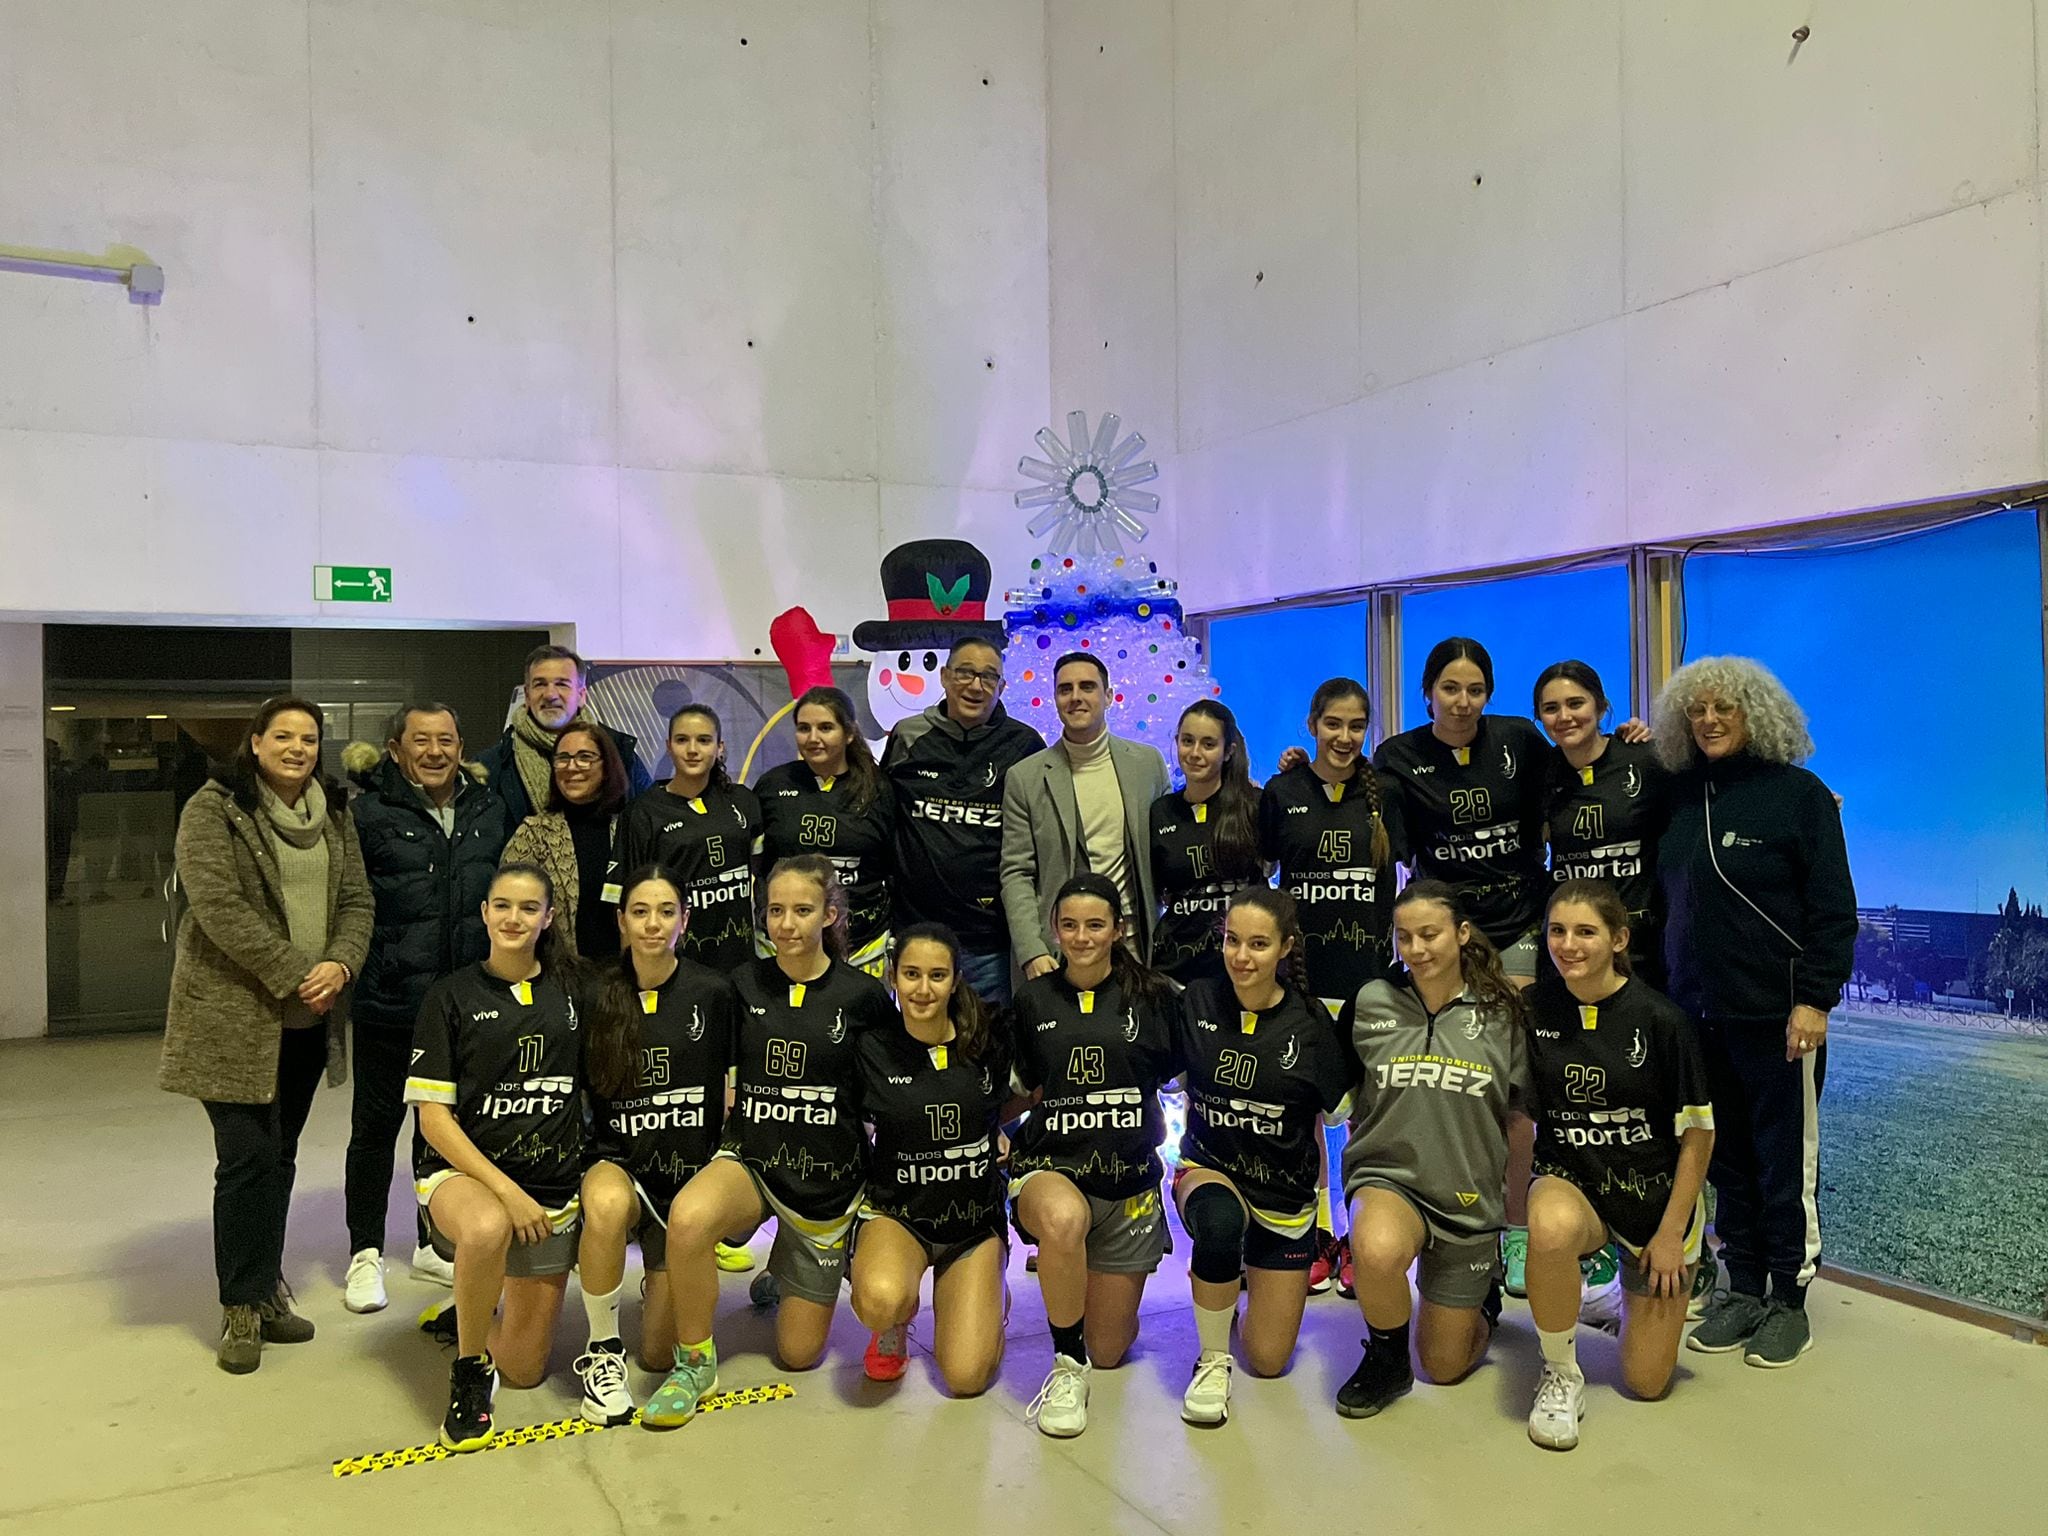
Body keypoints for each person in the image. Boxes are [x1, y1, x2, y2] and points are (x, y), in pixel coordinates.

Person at [160, 695, 373, 1374]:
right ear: (255, 743)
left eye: (308, 738)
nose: (296, 748)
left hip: (306, 1021)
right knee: (247, 1157)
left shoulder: (336, 809)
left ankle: (268, 1286)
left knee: (279, 1156)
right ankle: (242, 1307)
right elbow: (215, 904)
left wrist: (340, 963)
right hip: (233, 1017)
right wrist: (297, 971)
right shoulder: (214, 807)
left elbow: (357, 899)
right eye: (282, 736)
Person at [646, 857, 898, 1425]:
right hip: (754, 1158)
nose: (786, 924)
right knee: (688, 1218)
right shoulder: (742, 982)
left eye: (802, 911)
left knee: (798, 1355)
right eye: (776, 910)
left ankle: (792, 1267)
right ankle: (695, 1365)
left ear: (829, 914)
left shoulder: (862, 997)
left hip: (825, 1185)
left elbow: (892, 1093)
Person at [1655, 656, 1855, 1368]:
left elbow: (1833, 909)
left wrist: (1814, 1001)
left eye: (1724, 709)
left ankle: (1789, 1302)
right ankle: (1742, 1286)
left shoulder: (1798, 796)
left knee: (1782, 1163)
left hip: (1780, 1019)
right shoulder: (1677, 799)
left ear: (1755, 715)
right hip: (1699, 1016)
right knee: (1725, 1160)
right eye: (1697, 710)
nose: (1709, 721)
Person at [1523, 880, 1715, 1450]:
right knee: (1549, 1226)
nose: (1569, 944)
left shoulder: (1662, 1021)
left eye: (1586, 931)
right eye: (1558, 930)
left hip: (1652, 1205)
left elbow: (1699, 1136)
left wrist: (1668, 1233)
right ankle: (1559, 1371)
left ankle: (1610, 1295)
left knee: (1646, 1383)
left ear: (1619, 939)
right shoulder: (1533, 1009)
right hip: (1574, 1186)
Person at [405, 864, 585, 1450]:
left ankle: (471, 1303)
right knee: (485, 1228)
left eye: (529, 908)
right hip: (465, 1176)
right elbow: (434, 1121)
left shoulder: (573, 992)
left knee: (527, 1369)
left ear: (549, 918)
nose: (514, 918)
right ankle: (468, 1372)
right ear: (484, 913)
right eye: (502, 905)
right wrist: (507, 1192)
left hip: (551, 1189)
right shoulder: (449, 995)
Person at [1333, 880, 1528, 1420]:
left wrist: (1517, 1220)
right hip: (1389, 1179)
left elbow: (1518, 1117)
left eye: (1430, 934)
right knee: (1375, 1249)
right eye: (1405, 937)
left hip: (1468, 1197)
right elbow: (1340, 1097)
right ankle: (1387, 1358)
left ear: (1462, 934)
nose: (1417, 949)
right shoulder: (1372, 1002)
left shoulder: (1502, 1011)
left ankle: (1482, 1296)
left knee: (1443, 1366)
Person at [342, 703, 514, 1312]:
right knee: (376, 1127)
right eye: (421, 740)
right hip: (391, 998)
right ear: (396, 748)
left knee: (443, 1127)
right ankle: (364, 1252)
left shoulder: (486, 808)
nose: (435, 751)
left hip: (464, 1003)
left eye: (446, 738)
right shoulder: (367, 814)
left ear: (461, 743)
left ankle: (431, 1242)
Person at [1172, 888, 1355, 1426]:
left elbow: (1340, 1116)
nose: (1242, 957)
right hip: (1208, 1169)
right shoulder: (1197, 1001)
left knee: (1269, 1360)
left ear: (1285, 949)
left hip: (1283, 1196)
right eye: (1232, 941)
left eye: (1257, 944)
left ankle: (1232, 1281)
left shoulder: (1311, 1022)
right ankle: (1211, 1361)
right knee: (1221, 1223)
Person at [1008, 874, 1179, 1439]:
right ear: (1054, 931)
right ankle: (1064, 1364)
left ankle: (1084, 1302)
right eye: (1069, 925)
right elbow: (1022, 1090)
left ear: (1118, 930)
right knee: (1064, 1220)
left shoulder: (1153, 997)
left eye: (1095, 925)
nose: (1081, 937)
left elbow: (1186, 1080)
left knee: (1110, 1348)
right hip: (1052, 1170)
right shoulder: (1032, 998)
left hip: (1128, 1182)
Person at [572, 868, 742, 1424]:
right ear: (622, 921)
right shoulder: (594, 991)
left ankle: (660, 1280)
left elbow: (736, 1089)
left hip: (686, 1179)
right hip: (619, 1162)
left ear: (685, 921)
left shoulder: (713, 992)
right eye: (640, 911)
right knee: (605, 1204)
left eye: (666, 911)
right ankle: (602, 1350)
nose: (652, 923)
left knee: (661, 1352)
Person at [1260, 678, 1407, 1292]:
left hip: (1369, 982)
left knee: (1367, 1115)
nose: (1344, 737)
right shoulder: (1283, 788)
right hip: (1302, 982)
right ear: (1312, 725)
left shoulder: (1386, 795)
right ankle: (1316, 1232)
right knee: (1311, 1118)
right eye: (1333, 725)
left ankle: (1360, 1239)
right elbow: (1262, 873)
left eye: (1355, 726)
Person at [849, 923, 1014, 1393]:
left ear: (956, 980)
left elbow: (1021, 1095)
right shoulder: (871, 1048)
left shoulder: (988, 1040)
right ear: (892, 977)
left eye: (937, 976)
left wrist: (997, 1133)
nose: (923, 989)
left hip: (973, 1224)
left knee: (965, 1378)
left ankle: (987, 1292)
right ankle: (894, 1323)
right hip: (901, 1216)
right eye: (912, 975)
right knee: (880, 1300)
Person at [881, 636, 1044, 1004]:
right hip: (916, 932)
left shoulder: (1025, 745)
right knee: (917, 1044)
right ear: (944, 677)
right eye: (965, 673)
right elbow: (881, 816)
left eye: (989, 677)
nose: (976, 685)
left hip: (988, 939)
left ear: (1002, 687)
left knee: (988, 1046)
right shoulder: (909, 736)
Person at [1000, 653, 1172, 977]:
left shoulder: (1148, 764)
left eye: (1087, 687)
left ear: (1108, 696)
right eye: (1065, 689)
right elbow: (1016, 872)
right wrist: (1030, 950)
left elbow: (1172, 842)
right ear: (1055, 699)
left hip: (1136, 949)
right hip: (1059, 954)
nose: (1076, 697)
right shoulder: (1025, 778)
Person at [1535, 661, 1671, 983]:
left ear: (1601, 705)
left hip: (1642, 946)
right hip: (1572, 950)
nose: (1564, 717)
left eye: (1576, 703)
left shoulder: (1645, 759)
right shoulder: (1539, 773)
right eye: (1551, 708)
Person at [755, 687, 897, 975]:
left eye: (825, 727)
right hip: (783, 942)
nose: (813, 738)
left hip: (862, 946)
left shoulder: (880, 789)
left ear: (848, 733)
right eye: (804, 728)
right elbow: (755, 863)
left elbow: (896, 865)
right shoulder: (773, 785)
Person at [615, 704, 764, 974]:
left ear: (720, 747)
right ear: (668, 746)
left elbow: (763, 876)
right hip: (676, 968)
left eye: (704, 740)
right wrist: (632, 978)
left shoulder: (744, 801)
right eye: (682, 740)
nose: (692, 750)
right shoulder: (643, 812)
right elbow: (626, 903)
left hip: (741, 965)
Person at [1150, 700, 1266, 987]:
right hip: (1176, 972)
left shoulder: (1254, 806)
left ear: (1229, 751)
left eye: (1208, 744)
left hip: (1240, 970)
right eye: (1187, 741)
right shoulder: (1161, 811)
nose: (1195, 753)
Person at [500, 721, 631, 962]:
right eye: (563, 758)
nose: (572, 767)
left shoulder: (631, 829)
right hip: (557, 978)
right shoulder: (534, 833)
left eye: (585, 757)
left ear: (606, 766)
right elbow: (508, 911)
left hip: (625, 977)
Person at [476, 644, 650, 825]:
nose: (550, 694)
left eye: (562, 684)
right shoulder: (493, 766)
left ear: (582, 695)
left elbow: (648, 824)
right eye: (540, 684)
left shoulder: (620, 753)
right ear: (527, 696)